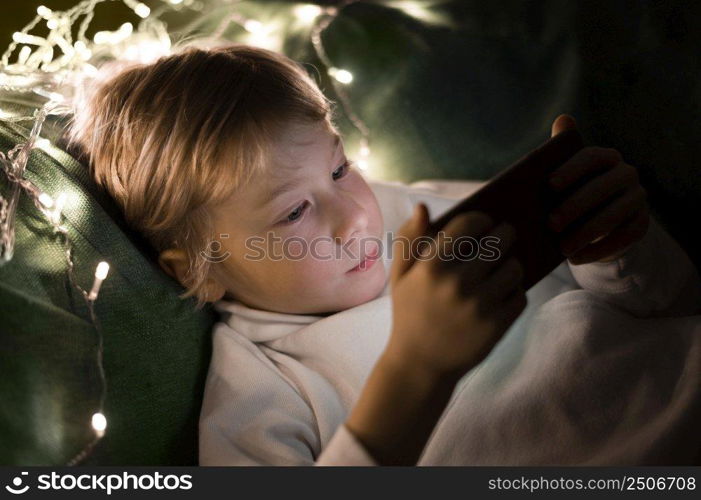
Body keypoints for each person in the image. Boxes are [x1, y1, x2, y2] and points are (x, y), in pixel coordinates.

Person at [66, 42, 701, 465]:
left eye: (340, 169)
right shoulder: (264, 386)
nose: (353, 218)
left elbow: (667, 302)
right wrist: (416, 369)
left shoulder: (427, 214)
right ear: (198, 272)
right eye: (293, 211)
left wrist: (618, 248)